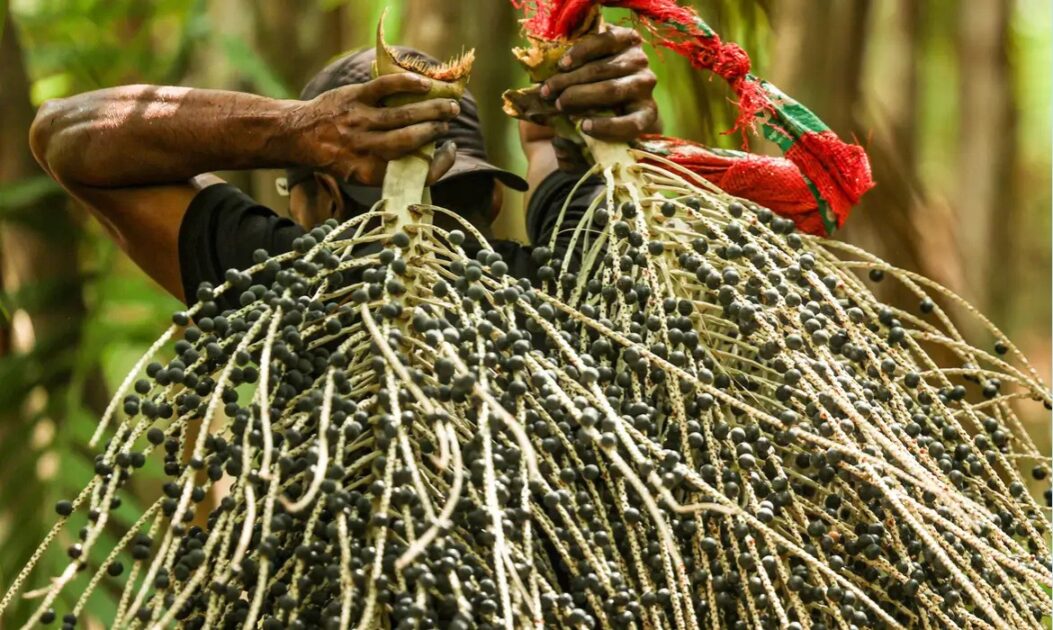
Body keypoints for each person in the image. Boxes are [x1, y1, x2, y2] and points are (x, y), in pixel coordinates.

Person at [29, 25, 659, 306]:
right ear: (494, 200)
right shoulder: (577, 289)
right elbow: (553, 150)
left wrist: (296, 133)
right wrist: (591, 105)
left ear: (318, 202)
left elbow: (66, 136)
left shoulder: (294, 290)